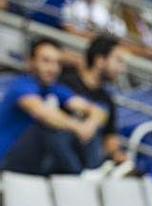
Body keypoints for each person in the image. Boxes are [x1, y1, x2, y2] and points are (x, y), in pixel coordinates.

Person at [0, 38, 107, 175]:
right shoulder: (21, 86)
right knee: (52, 128)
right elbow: (43, 114)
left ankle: (92, 171)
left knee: (83, 123)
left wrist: (89, 125)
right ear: (31, 62)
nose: (53, 68)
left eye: (58, 63)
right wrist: (78, 127)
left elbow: (98, 110)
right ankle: (82, 174)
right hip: (6, 161)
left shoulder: (54, 89)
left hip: (33, 163)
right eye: (46, 61)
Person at [60, 35, 128, 165]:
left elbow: (110, 138)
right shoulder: (66, 84)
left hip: (86, 165)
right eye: (118, 61)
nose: (122, 69)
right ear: (100, 60)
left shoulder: (107, 100)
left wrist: (118, 156)